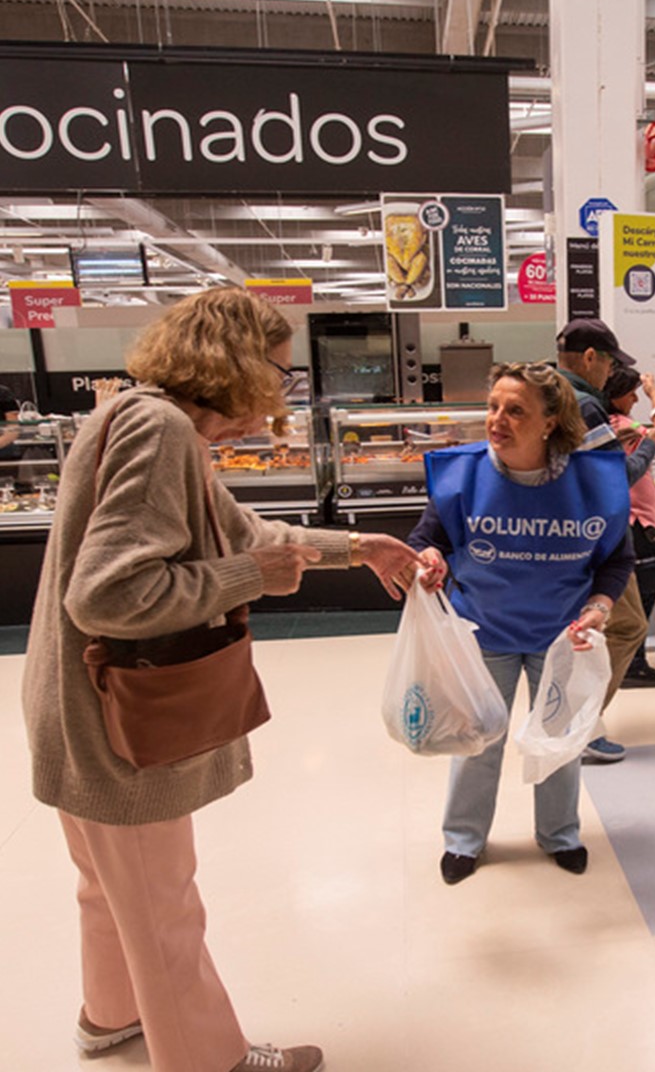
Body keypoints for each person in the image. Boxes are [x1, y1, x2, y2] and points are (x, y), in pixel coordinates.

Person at [21, 286, 422, 1072]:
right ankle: (213, 1061)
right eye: (276, 372)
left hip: (71, 703)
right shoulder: (162, 430)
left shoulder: (133, 413)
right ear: (235, 364)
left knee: (110, 889)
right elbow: (107, 593)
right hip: (115, 717)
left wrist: (354, 549)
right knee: (163, 908)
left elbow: (241, 530)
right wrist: (246, 577)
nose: (278, 393)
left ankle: (111, 1019)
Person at [409, 362, 634, 882]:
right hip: (483, 631)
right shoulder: (463, 475)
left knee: (559, 740)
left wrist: (599, 608)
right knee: (478, 740)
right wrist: (430, 561)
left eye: (515, 411)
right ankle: (463, 840)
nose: (497, 420)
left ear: (550, 422)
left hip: (563, 636)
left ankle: (560, 834)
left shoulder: (593, 483)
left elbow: (615, 561)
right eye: (493, 407)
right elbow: (428, 539)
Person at [552, 318, 655, 760]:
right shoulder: (585, 404)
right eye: (609, 363)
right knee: (627, 626)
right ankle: (576, 725)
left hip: (557, 533)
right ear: (590, 357)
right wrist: (650, 445)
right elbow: (613, 479)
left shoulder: (548, 392)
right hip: (595, 533)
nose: (610, 374)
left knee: (578, 630)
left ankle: (569, 720)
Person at [603, 365, 655, 689]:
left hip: (629, 522)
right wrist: (654, 394)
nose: (634, 398)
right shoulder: (622, 426)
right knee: (641, 599)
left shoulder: (608, 425)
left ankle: (632, 662)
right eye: (630, 392)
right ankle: (634, 664)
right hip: (636, 525)